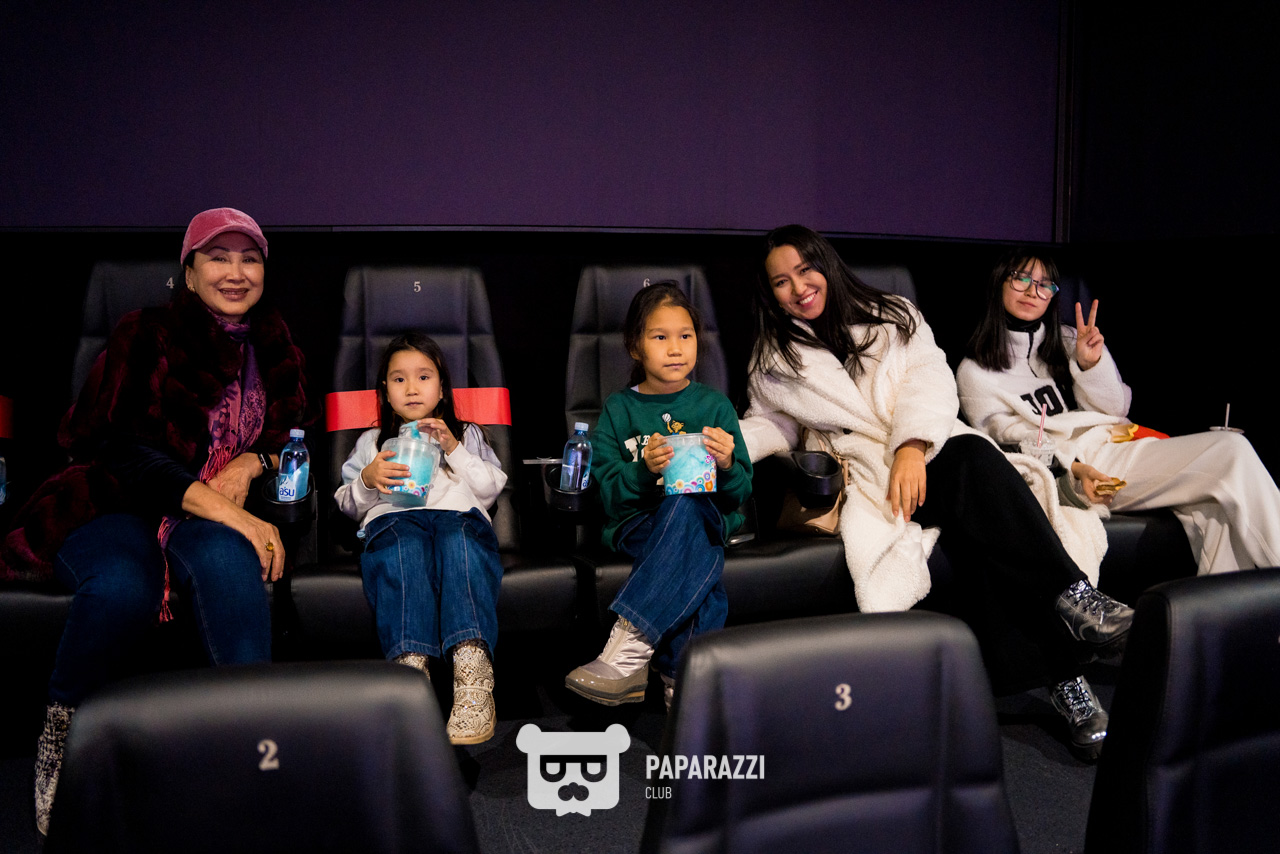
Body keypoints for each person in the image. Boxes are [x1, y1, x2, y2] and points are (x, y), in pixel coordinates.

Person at [740, 224, 1133, 761]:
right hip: (871, 473)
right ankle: (1073, 635)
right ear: (771, 292)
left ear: (825, 265)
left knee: (975, 483)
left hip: (925, 445)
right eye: (782, 281)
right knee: (981, 497)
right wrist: (728, 443)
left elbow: (930, 379)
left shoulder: (893, 314)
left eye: (805, 270)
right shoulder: (773, 357)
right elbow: (775, 425)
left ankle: (1072, 628)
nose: (799, 288)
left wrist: (911, 444)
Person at [1, 207, 308, 834]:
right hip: (115, 502)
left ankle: (255, 751)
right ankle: (63, 735)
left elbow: (291, 434)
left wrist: (251, 461)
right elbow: (129, 454)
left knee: (233, 570)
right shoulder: (145, 332)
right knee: (122, 586)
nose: (235, 272)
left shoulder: (274, 344)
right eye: (217, 258)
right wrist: (242, 518)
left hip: (202, 518)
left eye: (249, 259)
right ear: (188, 273)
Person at [958, 249, 1280, 575]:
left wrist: (1090, 365)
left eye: (1045, 284)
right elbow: (1007, 447)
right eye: (1022, 278)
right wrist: (1072, 469)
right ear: (999, 281)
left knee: (1216, 512)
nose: (1033, 291)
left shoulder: (1071, 340)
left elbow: (1116, 409)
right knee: (1231, 450)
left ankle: (1226, 609)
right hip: (1088, 464)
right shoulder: (976, 372)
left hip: (1121, 442)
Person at [565, 282, 752, 711]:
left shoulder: (715, 406)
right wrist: (643, 470)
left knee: (688, 503)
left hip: (704, 517)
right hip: (640, 525)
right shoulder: (619, 409)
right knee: (701, 566)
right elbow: (608, 493)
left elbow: (741, 491)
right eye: (660, 337)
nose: (675, 348)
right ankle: (684, 694)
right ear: (635, 346)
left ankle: (630, 645)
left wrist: (726, 465)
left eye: (685, 336)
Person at [335, 332, 505, 745]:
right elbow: (346, 502)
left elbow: (490, 490)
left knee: (457, 542)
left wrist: (455, 448)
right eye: (399, 379)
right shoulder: (372, 442)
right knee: (403, 548)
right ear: (384, 391)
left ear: (442, 388)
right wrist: (367, 479)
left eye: (424, 377)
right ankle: (411, 675)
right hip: (396, 521)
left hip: (456, 519)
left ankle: (472, 672)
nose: (412, 388)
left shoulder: (466, 434)